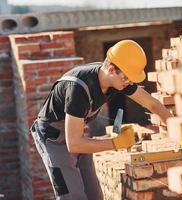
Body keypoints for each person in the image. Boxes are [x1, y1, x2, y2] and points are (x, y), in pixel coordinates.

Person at [30, 40, 172, 200]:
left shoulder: (116, 79)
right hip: (52, 139)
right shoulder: (78, 88)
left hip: (76, 134)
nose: (130, 82)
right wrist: (116, 143)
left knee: (94, 195)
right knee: (72, 196)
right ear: (112, 69)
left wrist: (179, 131)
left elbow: (152, 104)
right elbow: (74, 144)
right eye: (127, 78)